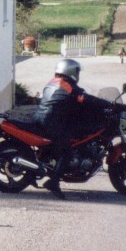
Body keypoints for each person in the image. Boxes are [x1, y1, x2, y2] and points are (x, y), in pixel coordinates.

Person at [32, 58, 109, 199]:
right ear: (71, 71)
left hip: (41, 118)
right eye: (77, 71)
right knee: (67, 149)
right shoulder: (67, 85)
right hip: (52, 121)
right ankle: (54, 182)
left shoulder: (53, 82)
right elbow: (84, 98)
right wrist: (109, 104)